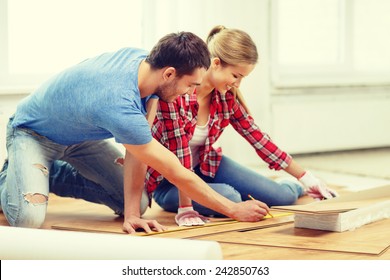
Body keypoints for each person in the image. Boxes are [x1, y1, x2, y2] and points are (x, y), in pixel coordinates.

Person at [0, 31, 271, 234]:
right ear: (169, 74)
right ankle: (10, 177)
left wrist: (131, 215)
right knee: (28, 220)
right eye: (189, 85)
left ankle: (51, 175)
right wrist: (233, 209)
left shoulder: (147, 65)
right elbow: (174, 170)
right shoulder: (119, 103)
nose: (190, 93)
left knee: (138, 204)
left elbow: (137, 151)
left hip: (80, 138)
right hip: (32, 133)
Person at [145, 26, 338, 226]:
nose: (238, 84)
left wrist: (306, 178)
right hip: (170, 182)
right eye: (236, 76)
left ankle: (288, 186)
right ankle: (217, 194)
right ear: (216, 63)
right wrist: (186, 208)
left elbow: (258, 138)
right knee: (232, 198)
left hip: (206, 165)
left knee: (283, 197)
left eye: (242, 78)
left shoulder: (225, 98)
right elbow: (181, 154)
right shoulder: (178, 94)